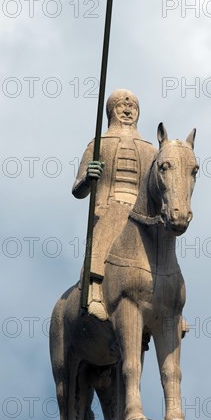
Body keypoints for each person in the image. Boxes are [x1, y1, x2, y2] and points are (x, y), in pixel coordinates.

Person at [72, 89, 156, 318]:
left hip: (142, 213)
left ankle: (166, 303)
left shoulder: (150, 149)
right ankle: (94, 291)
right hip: (109, 206)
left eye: (133, 107)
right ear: (111, 111)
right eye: (122, 106)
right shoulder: (99, 144)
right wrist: (89, 177)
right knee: (108, 228)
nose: (128, 110)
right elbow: (78, 189)